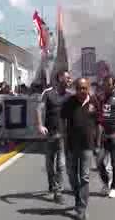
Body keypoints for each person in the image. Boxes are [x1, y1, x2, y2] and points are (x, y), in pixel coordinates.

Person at [61, 78, 100, 220]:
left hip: (87, 146)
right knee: (72, 176)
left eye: (84, 88)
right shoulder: (69, 102)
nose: (81, 91)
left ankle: (82, 208)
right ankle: (78, 198)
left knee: (84, 177)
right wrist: (64, 143)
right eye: (79, 88)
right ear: (75, 89)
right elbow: (63, 122)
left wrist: (98, 144)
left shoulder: (94, 102)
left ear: (88, 88)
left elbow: (98, 124)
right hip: (72, 145)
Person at [35, 70, 72, 204]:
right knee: (49, 164)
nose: (70, 80)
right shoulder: (48, 93)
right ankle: (52, 186)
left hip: (63, 135)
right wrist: (40, 125)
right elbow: (39, 108)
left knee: (61, 164)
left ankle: (58, 191)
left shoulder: (70, 95)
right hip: (50, 134)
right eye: (67, 78)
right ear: (60, 78)